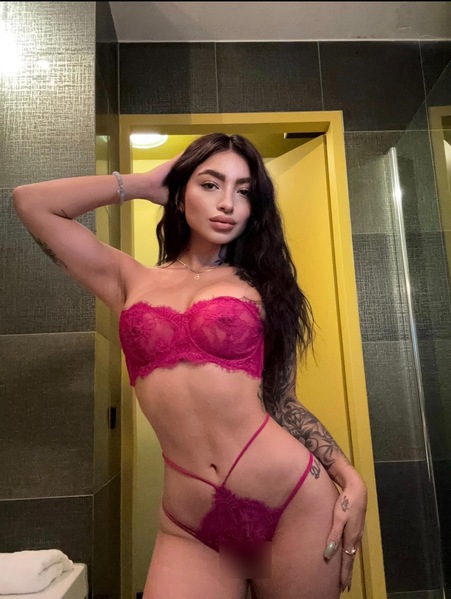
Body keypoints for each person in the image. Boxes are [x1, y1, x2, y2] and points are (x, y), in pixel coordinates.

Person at [13, 133, 367, 598]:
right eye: (211, 184)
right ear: (179, 196)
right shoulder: (128, 279)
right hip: (193, 524)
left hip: (290, 502)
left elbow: (283, 403)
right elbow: (31, 203)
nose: (228, 203)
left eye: (244, 191)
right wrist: (143, 184)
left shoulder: (263, 288)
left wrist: (348, 475)